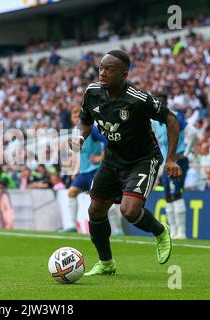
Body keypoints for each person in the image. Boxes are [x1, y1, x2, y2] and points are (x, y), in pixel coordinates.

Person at [71, 50, 181, 276]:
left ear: (124, 74)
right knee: (96, 211)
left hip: (143, 159)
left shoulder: (139, 99)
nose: (102, 73)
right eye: (101, 68)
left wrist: (171, 158)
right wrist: (80, 137)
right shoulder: (92, 93)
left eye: (109, 69)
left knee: (129, 211)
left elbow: (171, 119)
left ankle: (160, 231)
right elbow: (85, 122)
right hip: (112, 160)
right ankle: (106, 263)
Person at [59, 105, 123, 235]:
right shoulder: (75, 132)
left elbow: (107, 141)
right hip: (83, 172)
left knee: (103, 200)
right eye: (74, 116)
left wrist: (100, 157)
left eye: (78, 116)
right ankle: (72, 225)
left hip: (95, 170)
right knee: (71, 193)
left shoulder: (91, 129)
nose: (76, 118)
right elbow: (78, 153)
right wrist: (75, 169)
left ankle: (117, 230)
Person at [153, 92, 196, 239]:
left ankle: (182, 233)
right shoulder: (155, 122)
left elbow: (193, 132)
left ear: (166, 103)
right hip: (166, 164)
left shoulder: (175, 116)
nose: (159, 105)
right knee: (168, 196)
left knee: (176, 193)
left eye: (161, 102)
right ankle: (173, 232)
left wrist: (187, 152)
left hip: (178, 161)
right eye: (157, 102)